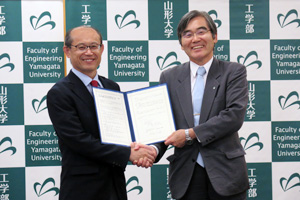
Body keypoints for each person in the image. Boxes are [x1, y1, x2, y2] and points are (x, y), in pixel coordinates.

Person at [46, 25, 156, 200]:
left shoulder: (111, 86)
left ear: (102, 49)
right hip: (82, 189)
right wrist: (128, 154)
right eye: (81, 47)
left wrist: (139, 146)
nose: (88, 52)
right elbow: (78, 140)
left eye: (94, 46)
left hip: (114, 184)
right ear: (67, 51)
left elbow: (120, 131)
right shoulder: (59, 93)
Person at [153, 10, 249, 199]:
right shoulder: (169, 77)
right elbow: (164, 122)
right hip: (186, 175)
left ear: (214, 37)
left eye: (201, 32)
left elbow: (234, 116)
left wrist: (190, 134)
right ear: (181, 44)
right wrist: (153, 150)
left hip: (226, 174)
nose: (195, 39)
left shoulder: (234, 71)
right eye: (187, 34)